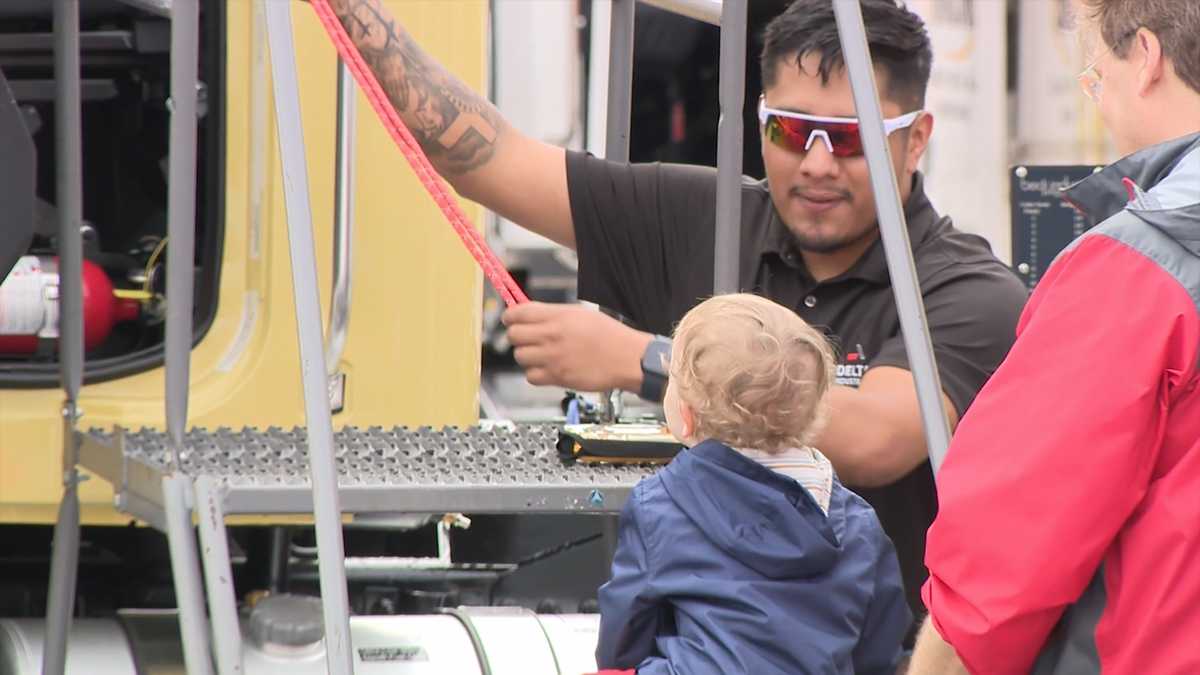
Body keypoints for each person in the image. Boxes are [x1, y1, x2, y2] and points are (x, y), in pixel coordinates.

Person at [325, 0, 1028, 627]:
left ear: (917, 137)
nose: (815, 164)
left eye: (846, 138)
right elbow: (489, 158)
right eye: (789, 130)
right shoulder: (711, 218)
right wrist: (352, 12)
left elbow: (876, 438)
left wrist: (645, 361)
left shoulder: (969, 290)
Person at [911, 1, 1200, 673]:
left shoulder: (1137, 267)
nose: (1096, 101)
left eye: (1095, 73)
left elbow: (1005, 560)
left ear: (1148, 59)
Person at [595, 293, 910, 675]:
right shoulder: (857, 523)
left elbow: (625, 631)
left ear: (687, 417)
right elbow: (878, 649)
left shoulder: (660, 505)